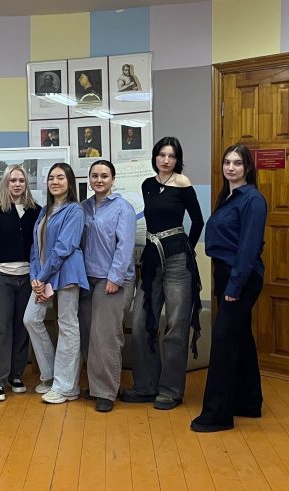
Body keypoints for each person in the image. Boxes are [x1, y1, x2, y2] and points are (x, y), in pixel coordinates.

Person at [120, 136, 204, 410]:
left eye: (172, 156)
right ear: (155, 156)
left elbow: (198, 220)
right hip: (151, 259)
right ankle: (146, 386)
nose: (166, 160)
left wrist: (187, 248)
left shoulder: (183, 183)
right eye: (162, 155)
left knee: (176, 325)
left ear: (178, 159)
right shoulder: (147, 184)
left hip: (178, 261)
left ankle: (170, 390)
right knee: (142, 322)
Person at [191, 144, 267, 432]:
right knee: (241, 336)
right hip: (227, 274)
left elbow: (248, 248)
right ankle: (248, 402)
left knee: (223, 340)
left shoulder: (253, 200)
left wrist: (234, 285)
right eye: (227, 162)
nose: (231, 167)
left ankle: (217, 415)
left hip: (241, 277)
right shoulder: (229, 196)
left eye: (237, 163)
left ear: (247, 167)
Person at [23, 162, 88, 404]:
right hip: (43, 276)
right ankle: (51, 375)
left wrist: (42, 277)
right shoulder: (45, 211)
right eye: (51, 178)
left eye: (60, 177)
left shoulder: (75, 210)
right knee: (31, 318)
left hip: (67, 274)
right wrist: (35, 278)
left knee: (67, 326)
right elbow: (35, 248)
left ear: (69, 182)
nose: (55, 182)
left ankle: (67, 387)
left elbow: (64, 247)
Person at [79, 160, 136, 412]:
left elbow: (125, 246)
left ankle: (106, 392)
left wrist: (115, 278)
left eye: (104, 176)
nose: (99, 180)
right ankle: (95, 386)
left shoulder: (123, 208)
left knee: (105, 337)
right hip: (86, 279)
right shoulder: (83, 207)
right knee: (88, 335)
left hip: (112, 280)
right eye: (94, 175)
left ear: (113, 179)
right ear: (89, 179)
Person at [0, 165, 41, 401]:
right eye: (12, 180)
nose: (17, 184)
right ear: (5, 183)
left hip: (27, 278)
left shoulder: (36, 211)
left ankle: (16, 375)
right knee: (1, 330)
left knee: (21, 327)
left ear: (27, 184)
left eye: (21, 181)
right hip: (0, 278)